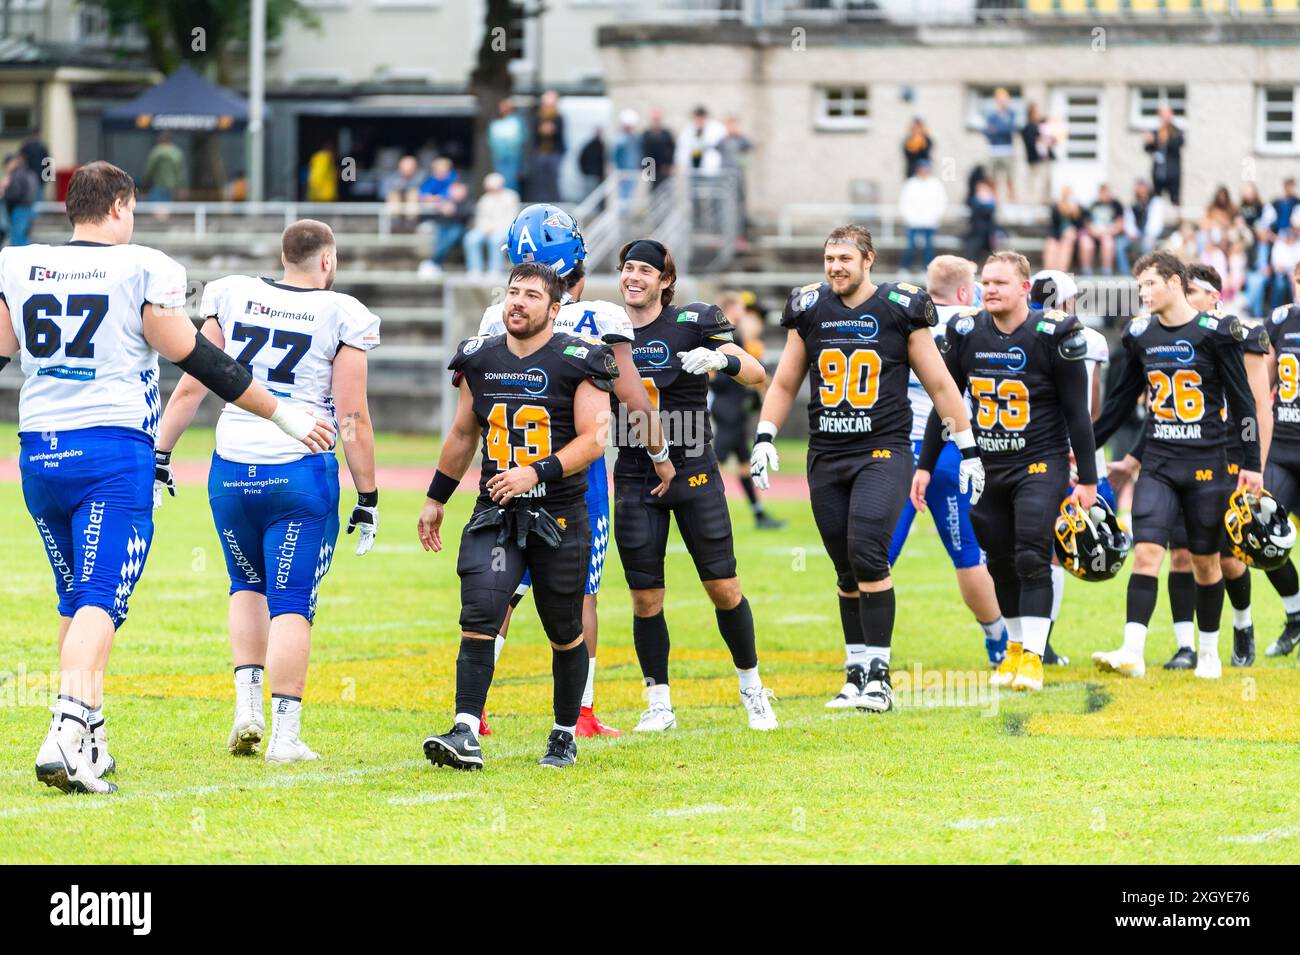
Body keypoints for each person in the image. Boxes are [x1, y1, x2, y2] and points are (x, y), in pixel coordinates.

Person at [0, 161, 333, 795]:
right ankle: (64, 732)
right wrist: (284, 413)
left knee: (75, 599)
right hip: (111, 454)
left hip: (39, 454)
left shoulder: (18, 263)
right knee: (102, 598)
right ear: (120, 206)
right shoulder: (141, 267)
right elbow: (200, 359)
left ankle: (91, 735)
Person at [153, 219, 380, 762]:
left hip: (231, 468)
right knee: (292, 603)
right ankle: (284, 735)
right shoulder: (341, 313)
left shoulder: (232, 295)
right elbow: (351, 417)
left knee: (245, 586)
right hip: (297, 468)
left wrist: (160, 453)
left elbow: (191, 384)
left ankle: (247, 709)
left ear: (283, 256)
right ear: (327, 261)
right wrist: (367, 495)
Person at [751, 226, 982, 711]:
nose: (835, 266)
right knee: (845, 566)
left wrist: (968, 447)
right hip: (827, 453)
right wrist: (766, 435)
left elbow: (942, 386)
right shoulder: (811, 307)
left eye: (844, 258)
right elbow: (786, 380)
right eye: (828, 257)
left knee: (868, 551)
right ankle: (855, 673)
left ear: (868, 260)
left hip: (883, 450)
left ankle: (880, 676)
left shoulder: (900, 308)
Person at [477, 205, 672, 739]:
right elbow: (632, 396)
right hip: (575, 479)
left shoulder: (498, 317)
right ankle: (580, 713)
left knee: (500, 591)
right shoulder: (604, 317)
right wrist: (660, 455)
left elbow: (476, 404)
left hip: (509, 470)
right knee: (580, 593)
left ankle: (477, 709)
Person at [419, 262, 617, 770]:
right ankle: (465, 730)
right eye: (513, 292)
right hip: (496, 511)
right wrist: (436, 497)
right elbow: (465, 434)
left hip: (559, 514)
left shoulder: (581, 359)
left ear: (555, 309)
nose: (518, 302)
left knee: (563, 627)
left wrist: (537, 471)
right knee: (479, 614)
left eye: (531, 295)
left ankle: (563, 733)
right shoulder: (480, 357)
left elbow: (595, 438)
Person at [614, 238, 777, 732]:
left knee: (723, 588)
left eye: (645, 269)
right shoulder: (607, 329)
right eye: (627, 268)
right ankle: (658, 701)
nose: (633, 277)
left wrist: (720, 361)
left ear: (666, 281)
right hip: (634, 471)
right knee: (646, 597)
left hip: (694, 470)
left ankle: (753, 689)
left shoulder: (695, 320)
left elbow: (755, 371)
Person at [915, 253, 1097, 692]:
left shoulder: (1054, 332)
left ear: (1024, 287)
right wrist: (924, 465)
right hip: (986, 463)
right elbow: (947, 404)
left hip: (1040, 461)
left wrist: (1087, 478)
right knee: (998, 560)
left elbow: (1077, 413)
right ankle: (1015, 648)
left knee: (1032, 553)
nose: (990, 289)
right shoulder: (966, 331)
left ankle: (1034, 656)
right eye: (986, 282)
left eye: (1000, 282)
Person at [1092, 251, 1262, 680]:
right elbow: (1117, 406)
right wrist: (1082, 445)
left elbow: (1243, 404)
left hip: (1208, 463)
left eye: (1150, 284)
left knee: (1206, 561)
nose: (1143, 294)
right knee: (1146, 551)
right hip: (1161, 463)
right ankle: (1133, 649)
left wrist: (1252, 464)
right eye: (1139, 287)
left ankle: (1207, 651)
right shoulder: (1140, 335)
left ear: (1174, 281)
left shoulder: (1216, 332)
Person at [888, 255, 1008, 667]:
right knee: (968, 555)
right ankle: (997, 640)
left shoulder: (902, 319)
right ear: (963, 290)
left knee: (878, 556)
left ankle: (867, 655)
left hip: (898, 451)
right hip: (953, 450)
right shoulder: (975, 323)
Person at [1029, 268, 1111, 666]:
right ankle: (1039, 643)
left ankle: (1024, 642)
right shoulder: (1085, 338)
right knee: (1054, 551)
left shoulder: (1007, 331)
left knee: (1027, 550)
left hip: (1015, 452)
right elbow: (1090, 409)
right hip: (1065, 453)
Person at [709, 291, 783, 531]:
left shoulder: (733, 336)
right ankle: (697, 509)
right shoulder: (724, 337)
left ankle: (759, 514)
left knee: (743, 462)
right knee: (714, 462)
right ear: (730, 308)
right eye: (740, 307)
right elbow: (719, 375)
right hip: (728, 406)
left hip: (735, 405)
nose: (743, 312)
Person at [1259, 263, 1300, 658]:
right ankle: (1296, 614)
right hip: (1285, 447)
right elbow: (1262, 388)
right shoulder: (1282, 320)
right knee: (1261, 534)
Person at [462, 172, 520, 275]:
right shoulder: (484, 199)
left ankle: (495, 270)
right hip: (485, 229)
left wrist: (494, 228)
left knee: (495, 240)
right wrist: (484, 228)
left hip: (505, 229)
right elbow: (480, 218)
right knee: (470, 238)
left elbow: (512, 218)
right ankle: (475, 269)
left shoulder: (511, 196)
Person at [899, 159, 947, 272]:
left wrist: (935, 217)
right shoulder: (911, 184)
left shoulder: (936, 184)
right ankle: (905, 268)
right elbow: (904, 202)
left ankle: (927, 269)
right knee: (910, 246)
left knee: (929, 247)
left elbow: (941, 202)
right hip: (913, 222)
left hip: (930, 222)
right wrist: (909, 217)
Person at [418, 179, 473, 276]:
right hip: (444, 228)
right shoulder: (446, 202)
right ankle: (435, 264)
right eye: (454, 190)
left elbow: (467, 216)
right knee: (440, 234)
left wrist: (454, 211)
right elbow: (437, 218)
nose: (456, 193)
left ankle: (433, 261)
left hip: (461, 231)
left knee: (453, 233)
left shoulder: (468, 202)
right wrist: (442, 211)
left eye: (459, 190)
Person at [1080, 183, 1126, 276]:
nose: (1105, 195)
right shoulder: (1093, 205)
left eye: (1106, 192)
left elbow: (1119, 225)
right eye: (1102, 192)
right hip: (1094, 234)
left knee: (1107, 242)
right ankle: (1086, 272)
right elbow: (1087, 224)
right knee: (1085, 243)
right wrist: (1095, 232)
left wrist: (1105, 232)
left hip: (1109, 234)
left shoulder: (1116, 205)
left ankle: (1106, 271)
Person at [1144, 105, 1184, 207]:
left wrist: (1157, 140)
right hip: (1158, 172)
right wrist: (1150, 141)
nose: (1165, 118)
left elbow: (1177, 144)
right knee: (1156, 199)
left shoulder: (1177, 132)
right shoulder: (1156, 131)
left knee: (1175, 200)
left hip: (1172, 173)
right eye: (1163, 115)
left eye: (1167, 114)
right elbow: (1148, 149)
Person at [531, 89, 565, 202]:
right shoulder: (538, 116)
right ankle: (541, 201)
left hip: (554, 152)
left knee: (553, 179)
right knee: (540, 180)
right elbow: (538, 131)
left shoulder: (558, 117)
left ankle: (555, 201)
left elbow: (555, 131)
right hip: (541, 152)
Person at [983, 88, 1017, 203]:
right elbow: (987, 132)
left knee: (1009, 177)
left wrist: (996, 129)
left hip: (1007, 150)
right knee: (992, 177)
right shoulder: (991, 116)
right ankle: (994, 200)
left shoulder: (1011, 114)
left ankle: (1011, 200)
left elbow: (1009, 130)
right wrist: (998, 129)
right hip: (994, 150)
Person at [487, 97, 526, 194]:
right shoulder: (495, 123)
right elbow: (491, 140)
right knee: (499, 180)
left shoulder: (517, 122)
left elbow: (521, 138)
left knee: (512, 181)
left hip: (512, 157)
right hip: (499, 157)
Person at [1044, 186, 1084, 273]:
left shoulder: (1078, 208)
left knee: (1066, 245)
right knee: (1051, 245)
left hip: (1071, 237)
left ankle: (1060, 274)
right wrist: (1063, 233)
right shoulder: (1056, 207)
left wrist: (1074, 213)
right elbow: (1053, 225)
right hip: (1057, 234)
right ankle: (1049, 274)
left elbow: (1080, 226)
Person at [2, 153, 39, 247]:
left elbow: (15, 193)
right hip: (29, 207)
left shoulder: (16, 175)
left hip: (19, 209)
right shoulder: (29, 173)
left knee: (18, 239)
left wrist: (4, 192)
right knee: (24, 237)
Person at [1021, 102, 1054, 203]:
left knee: (1046, 181)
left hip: (1045, 158)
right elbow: (1030, 143)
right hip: (1035, 159)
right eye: (1036, 112)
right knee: (1035, 182)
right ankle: (1034, 201)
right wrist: (1039, 140)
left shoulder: (1042, 124)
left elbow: (1051, 136)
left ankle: (1044, 200)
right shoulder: (1028, 127)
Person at [1125, 178, 1165, 258]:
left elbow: (1157, 223)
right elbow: (1129, 222)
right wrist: (1133, 233)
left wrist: (1150, 235)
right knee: (1120, 245)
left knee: (1146, 246)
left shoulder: (1156, 202)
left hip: (1151, 236)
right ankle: (1124, 270)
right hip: (1136, 235)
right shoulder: (1133, 204)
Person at [382, 155, 423, 231]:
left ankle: (410, 223)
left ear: (415, 168)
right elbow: (384, 193)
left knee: (412, 194)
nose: (407, 169)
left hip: (415, 206)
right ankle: (396, 223)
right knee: (394, 195)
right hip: (395, 205)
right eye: (405, 167)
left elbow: (423, 192)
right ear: (400, 167)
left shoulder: (421, 177)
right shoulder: (391, 177)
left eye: (411, 167)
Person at [964, 175, 998, 264]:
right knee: (972, 247)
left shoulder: (990, 200)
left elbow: (990, 213)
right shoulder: (974, 199)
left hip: (987, 232)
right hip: (976, 231)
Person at [640, 108, 676, 191]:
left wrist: (669, 165)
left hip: (664, 169)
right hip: (650, 168)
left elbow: (671, 149)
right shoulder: (646, 134)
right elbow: (644, 151)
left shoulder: (666, 134)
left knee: (664, 190)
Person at [143, 132, 184, 202]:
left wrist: (145, 181)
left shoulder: (157, 151)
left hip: (158, 185)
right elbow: (180, 172)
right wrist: (181, 187)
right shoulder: (177, 152)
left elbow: (149, 169)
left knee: (156, 208)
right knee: (169, 208)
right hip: (172, 187)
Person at [577, 128, 606, 196]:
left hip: (592, 173)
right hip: (593, 174)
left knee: (591, 194)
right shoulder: (596, 145)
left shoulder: (591, 145)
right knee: (592, 194)